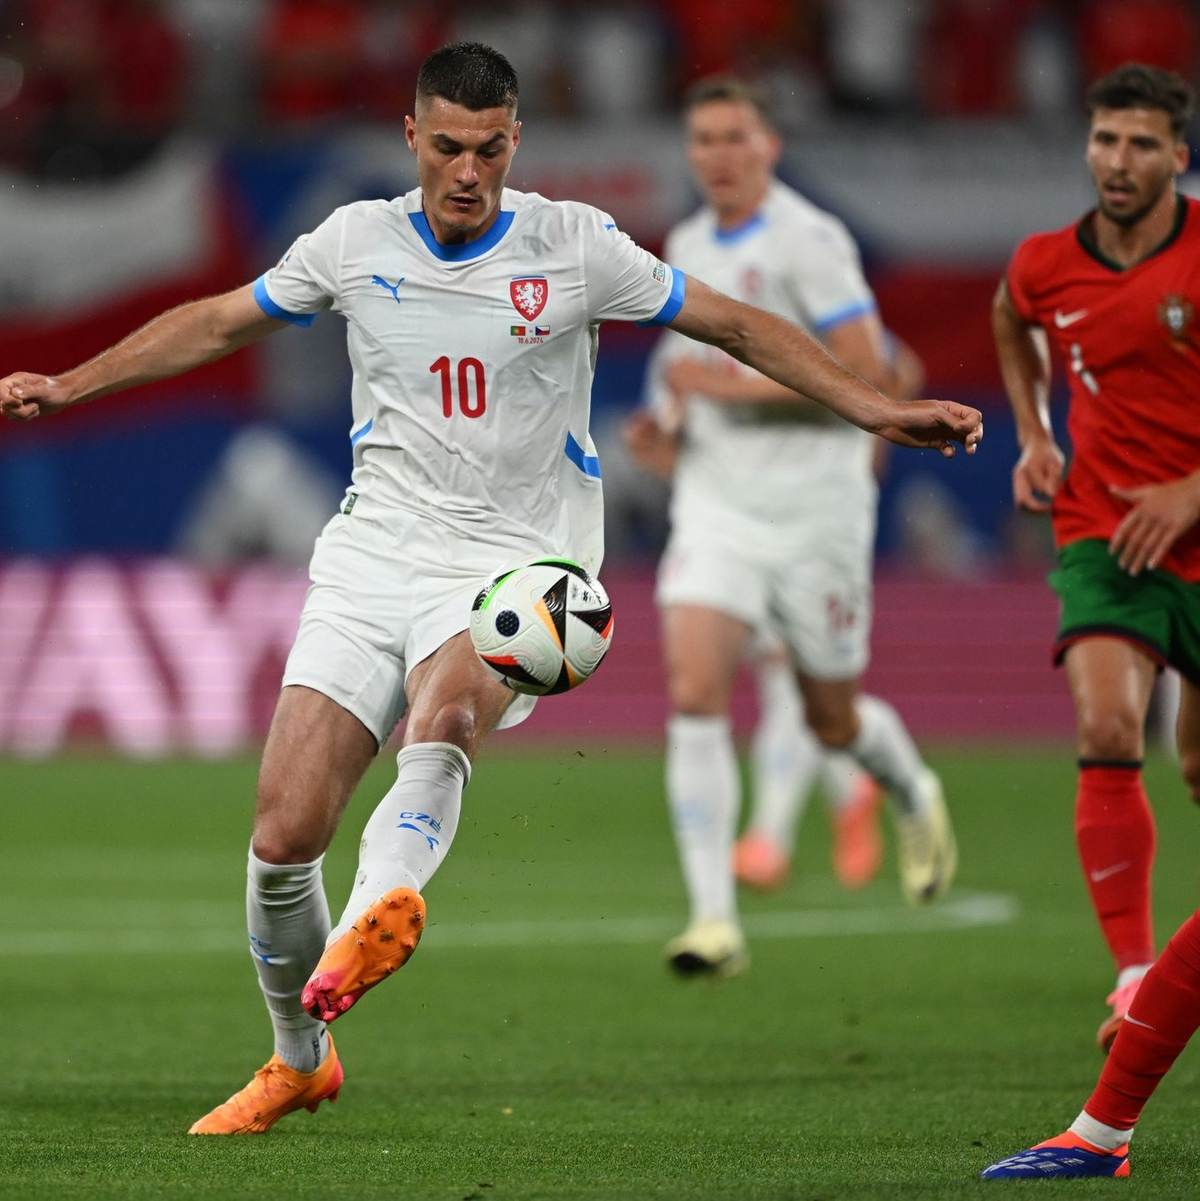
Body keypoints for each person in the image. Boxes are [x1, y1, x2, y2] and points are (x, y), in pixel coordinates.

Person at [0, 43, 981, 1137]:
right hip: (375, 553)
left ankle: (380, 912)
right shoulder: (353, 241)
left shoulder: (576, 247)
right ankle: (299, 1058)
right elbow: (222, 320)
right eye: (450, 148)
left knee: (450, 709)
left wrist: (877, 408)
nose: (468, 172)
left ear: (516, 142)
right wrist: (72, 381)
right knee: (282, 837)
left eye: (491, 149)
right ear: (414, 138)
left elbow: (739, 326)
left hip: (521, 566)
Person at [621, 76, 959, 980]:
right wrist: (668, 428)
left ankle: (911, 786)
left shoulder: (811, 242)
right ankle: (712, 920)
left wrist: (724, 388)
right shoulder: (687, 242)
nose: (719, 156)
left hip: (816, 514)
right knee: (695, 689)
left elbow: (866, 371)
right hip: (717, 508)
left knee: (831, 716)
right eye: (703, 140)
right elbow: (682, 373)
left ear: (770, 146)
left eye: (736, 137)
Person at [982, 62, 1200, 1179]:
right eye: (1106, 140)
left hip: (1198, 532)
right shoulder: (1044, 264)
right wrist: (1033, 430)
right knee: (1110, 724)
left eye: (1142, 145)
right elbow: (1009, 318)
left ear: (1179, 158)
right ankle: (1131, 967)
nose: (1119, 162)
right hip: (1104, 535)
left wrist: (1193, 491)